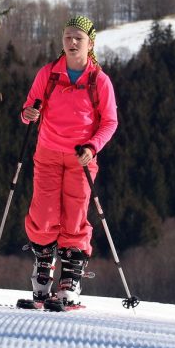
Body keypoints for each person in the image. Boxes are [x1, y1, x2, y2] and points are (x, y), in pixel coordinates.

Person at [20, 15, 118, 306]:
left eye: (78, 38)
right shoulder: (49, 74)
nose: (72, 42)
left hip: (81, 158)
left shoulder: (99, 80)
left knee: (75, 214)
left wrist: (93, 145)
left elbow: (110, 122)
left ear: (90, 43)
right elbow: (29, 108)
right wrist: (28, 114)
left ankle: (70, 279)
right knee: (44, 212)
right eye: (67, 37)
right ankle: (42, 271)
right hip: (48, 153)